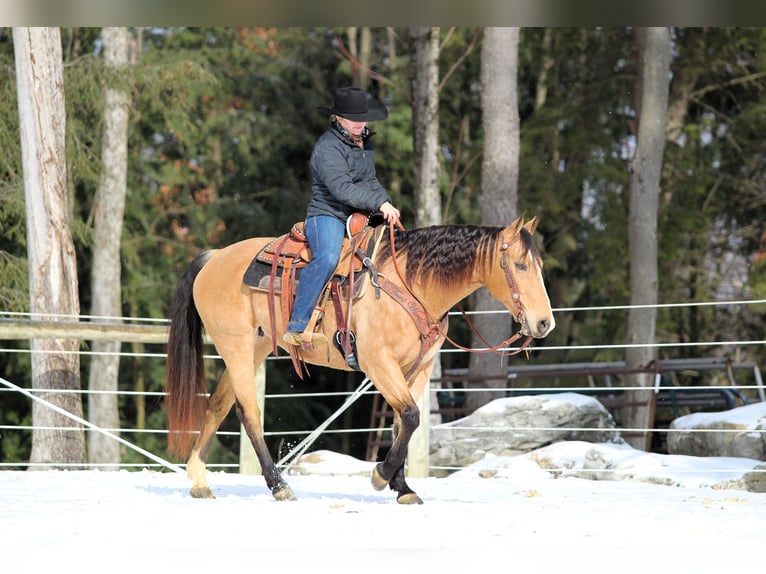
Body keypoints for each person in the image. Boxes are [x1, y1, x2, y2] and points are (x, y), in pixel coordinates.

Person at [283, 86, 401, 346]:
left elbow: (370, 180)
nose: (359, 122)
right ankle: (297, 324)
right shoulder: (327, 147)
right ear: (338, 118)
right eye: (353, 118)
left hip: (358, 213)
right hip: (328, 214)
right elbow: (341, 188)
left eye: (362, 117)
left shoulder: (364, 142)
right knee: (327, 257)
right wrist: (378, 202)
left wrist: (387, 203)